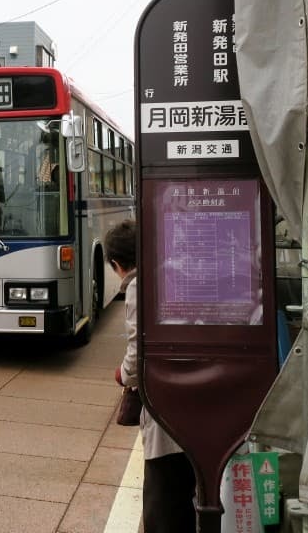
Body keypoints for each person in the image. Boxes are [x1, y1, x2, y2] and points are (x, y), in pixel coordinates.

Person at [106, 219, 197, 532]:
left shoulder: (137, 286)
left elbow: (136, 351)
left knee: (162, 501)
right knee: (183, 491)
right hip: (192, 395)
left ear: (116, 264)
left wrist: (123, 375)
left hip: (165, 403)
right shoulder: (172, 272)